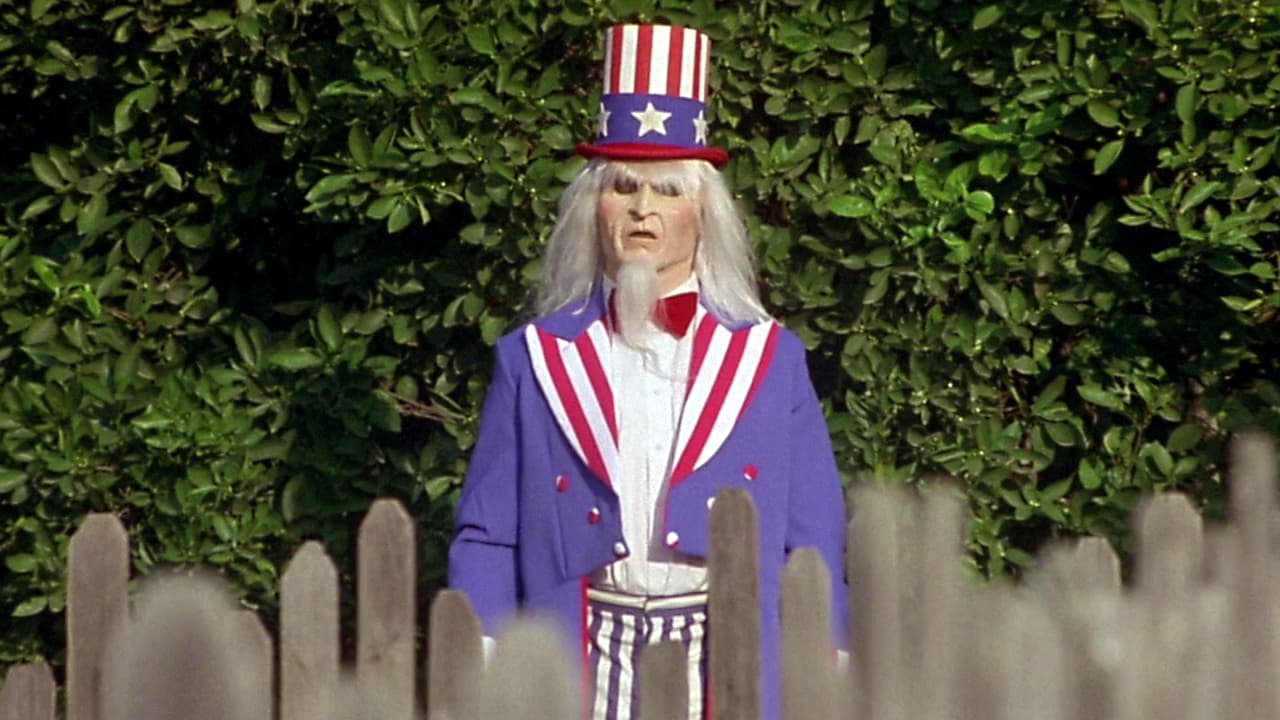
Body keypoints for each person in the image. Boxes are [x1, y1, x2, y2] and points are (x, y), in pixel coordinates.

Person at [448, 23, 848, 720]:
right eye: (624, 187)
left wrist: (826, 660)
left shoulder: (769, 358)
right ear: (592, 209)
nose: (642, 210)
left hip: (723, 655)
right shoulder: (532, 358)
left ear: (703, 214)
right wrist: (478, 657)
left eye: (667, 190)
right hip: (575, 654)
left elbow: (813, 536)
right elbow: (490, 532)